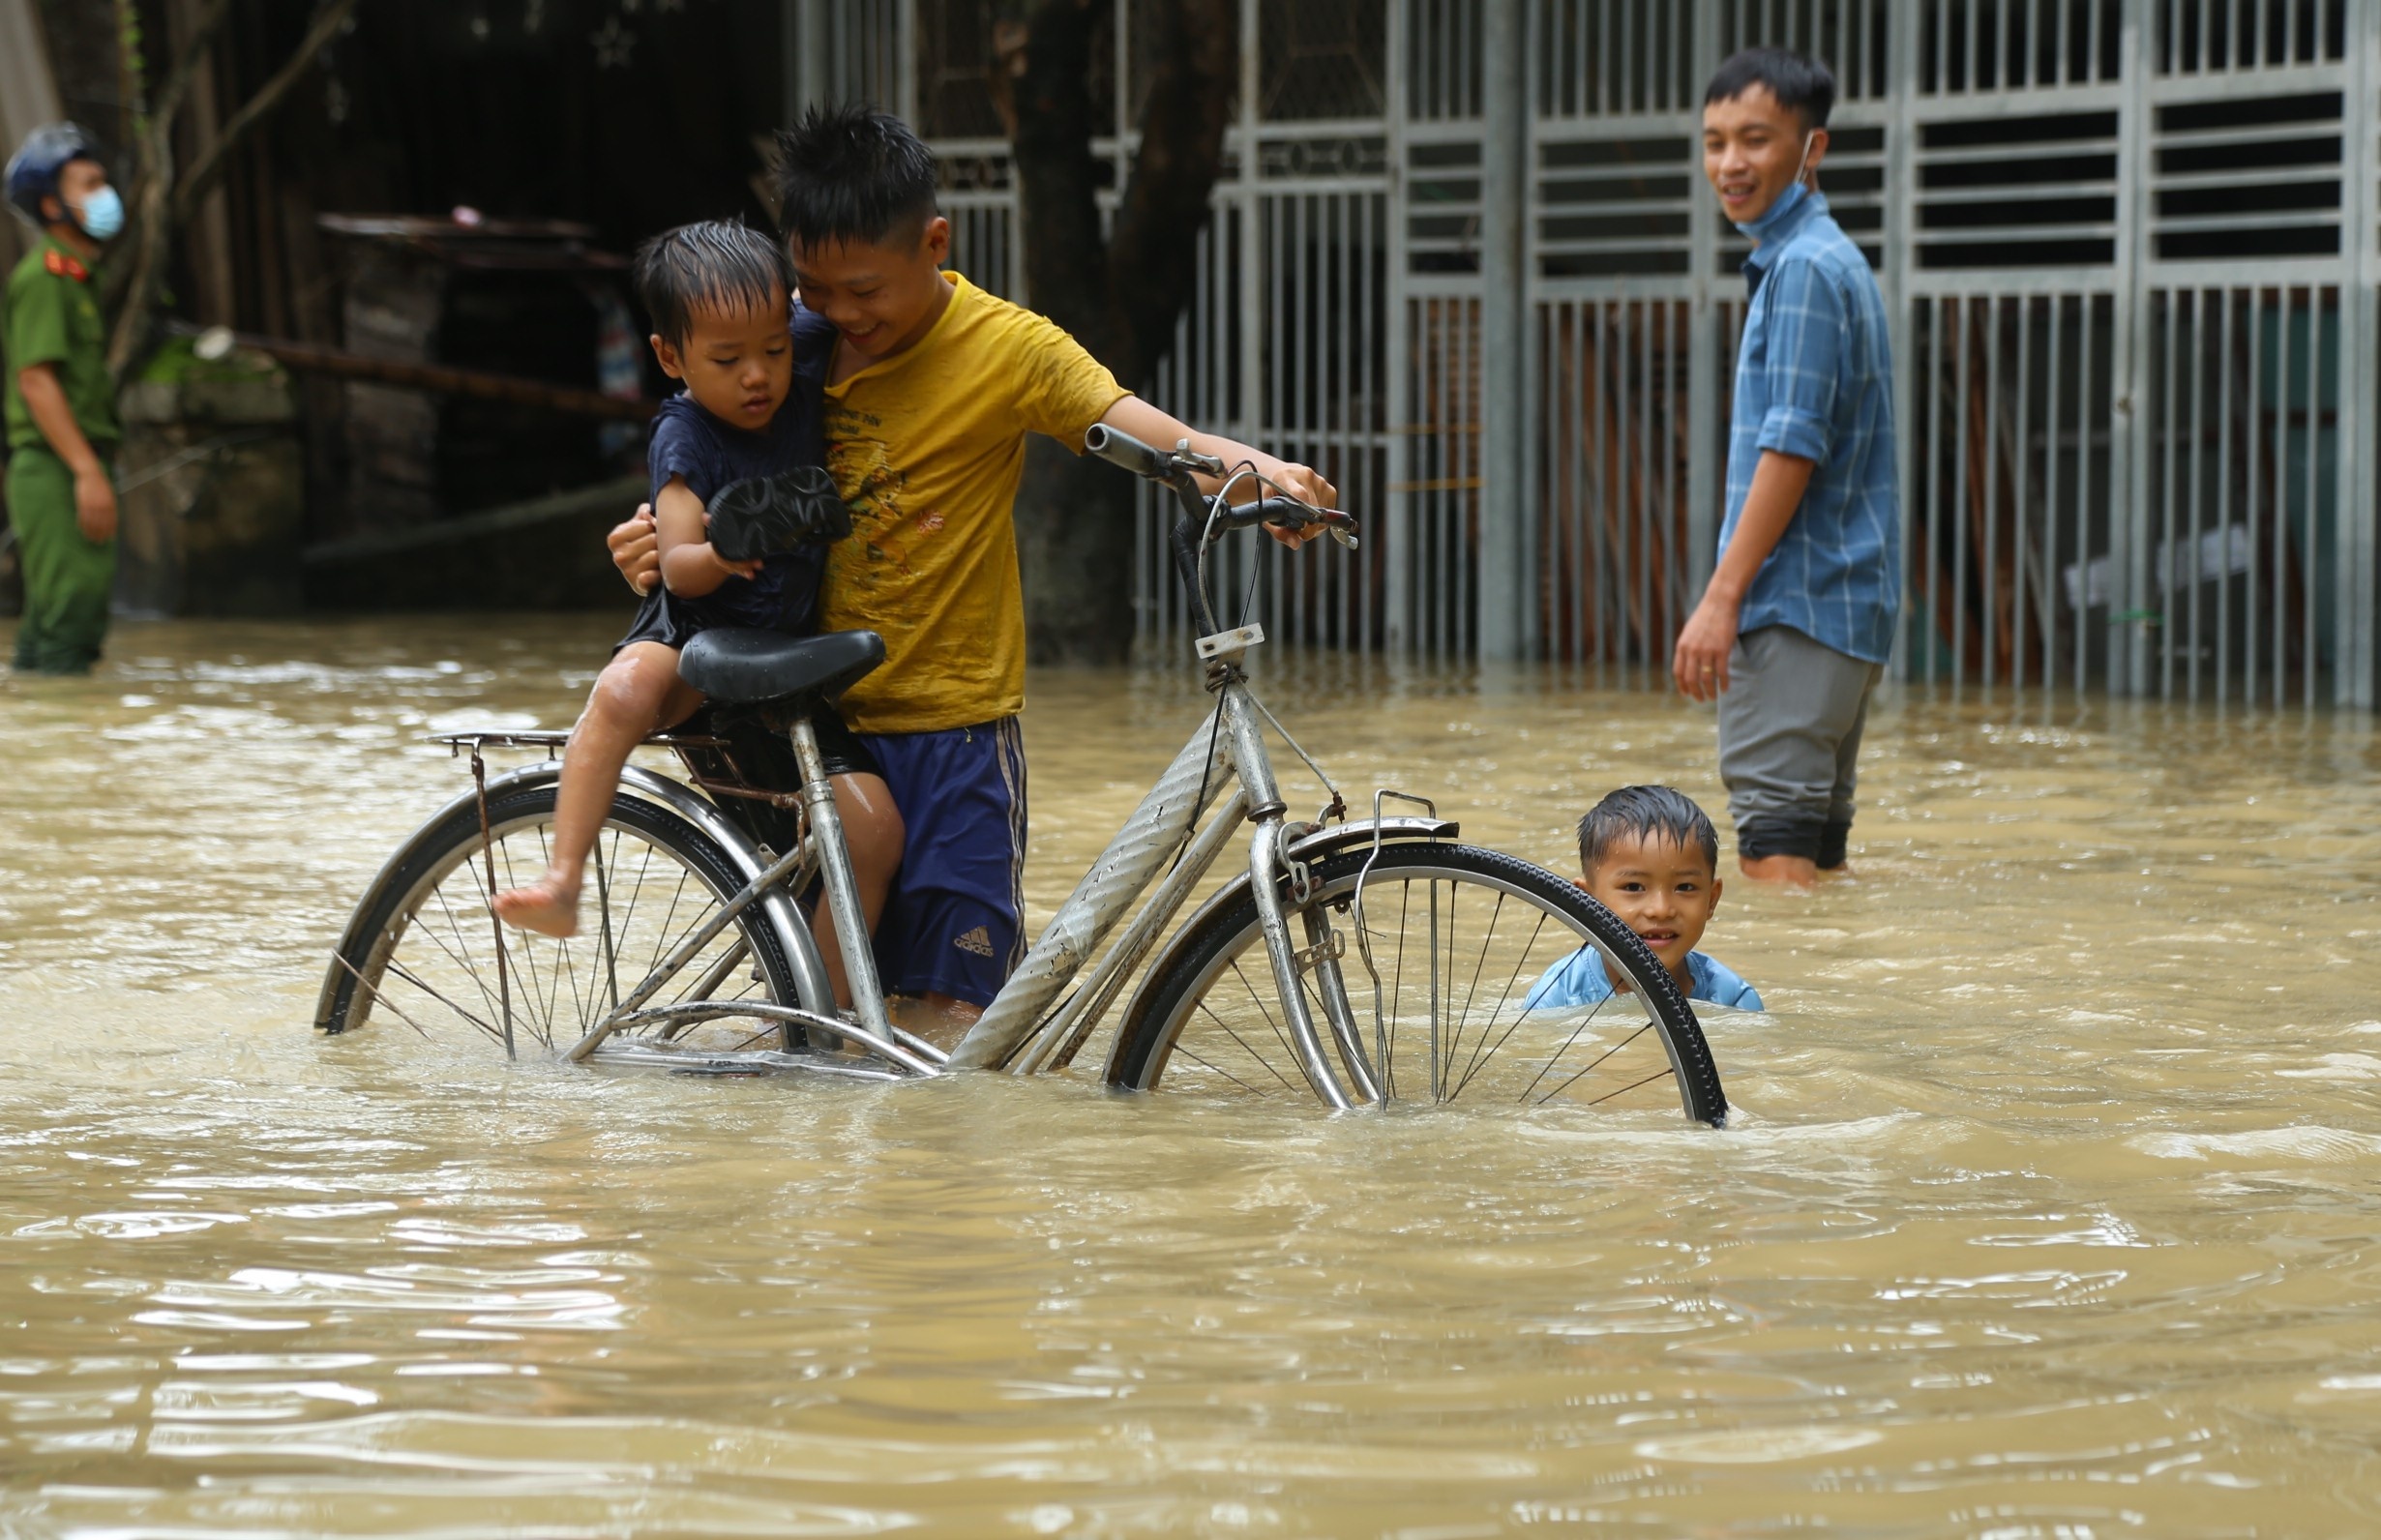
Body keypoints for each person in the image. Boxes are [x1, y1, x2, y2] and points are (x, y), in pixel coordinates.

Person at [610, 105, 1336, 1033]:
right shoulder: (785, 344)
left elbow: (1148, 433)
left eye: (864, 290)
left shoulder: (1008, 351)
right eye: (816, 290)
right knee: (826, 1016)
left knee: (958, 1014)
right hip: (806, 719)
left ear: (934, 244)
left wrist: (1260, 472)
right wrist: (647, 539)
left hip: (948, 728)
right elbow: (694, 456)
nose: (840, 316)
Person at [492, 220, 896, 972]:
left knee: (873, 832)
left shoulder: (799, 354)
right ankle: (562, 878)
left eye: (774, 350)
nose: (757, 376)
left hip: (780, 655)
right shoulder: (685, 433)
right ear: (670, 357)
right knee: (624, 690)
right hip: (693, 634)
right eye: (727, 360)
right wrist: (721, 554)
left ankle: (824, 1016)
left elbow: (854, 309)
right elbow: (677, 566)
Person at [1672, 47, 1900, 890]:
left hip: (1795, 604)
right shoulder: (1827, 259)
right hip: (1843, 611)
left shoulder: (1802, 269)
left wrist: (1720, 599)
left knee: (1772, 861)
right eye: (1714, 142)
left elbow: (1793, 447)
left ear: (1811, 148)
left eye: (1755, 139)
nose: (1729, 163)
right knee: (1815, 869)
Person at [4, 124, 124, 676]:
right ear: (52, 205)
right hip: (56, 465)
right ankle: (68, 720)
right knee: (72, 616)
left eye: (103, 181)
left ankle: (40, 722)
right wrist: (86, 471)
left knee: (54, 622)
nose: (105, 194)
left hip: (66, 464)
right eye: (89, 184)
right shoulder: (45, 278)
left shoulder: (77, 277)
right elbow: (36, 381)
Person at [1526, 785, 1763, 1014]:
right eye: (1633, 887)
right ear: (1585, 902)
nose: (1661, 910)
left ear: (1711, 900)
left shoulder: (1733, 1002)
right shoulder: (1557, 999)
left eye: (1684, 887)